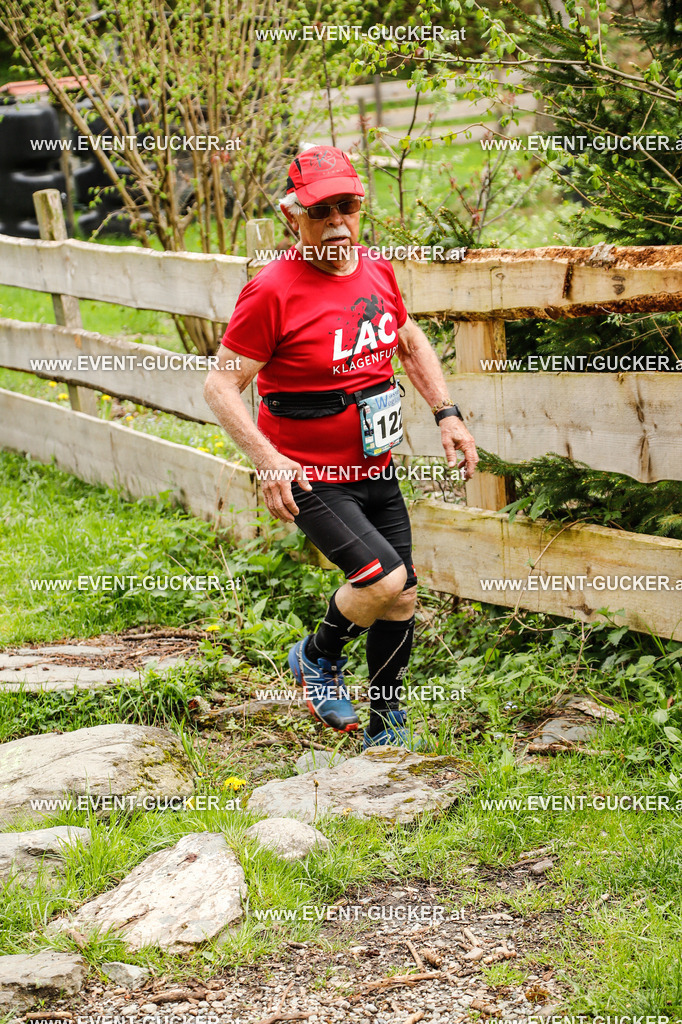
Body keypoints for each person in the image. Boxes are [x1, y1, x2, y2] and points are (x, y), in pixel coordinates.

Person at [203, 145, 478, 749]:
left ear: (360, 206)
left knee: (402, 597)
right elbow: (220, 384)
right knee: (380, 579)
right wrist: (266, 458)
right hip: (310, 474)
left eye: (347, 206)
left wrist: (447, 412)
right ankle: (316, 657)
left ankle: (385, 726)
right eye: (320, 210)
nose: (336, 223)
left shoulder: (377, 270)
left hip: (375, 466)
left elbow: (409, 340)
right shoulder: (271, 291)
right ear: (292, 217)